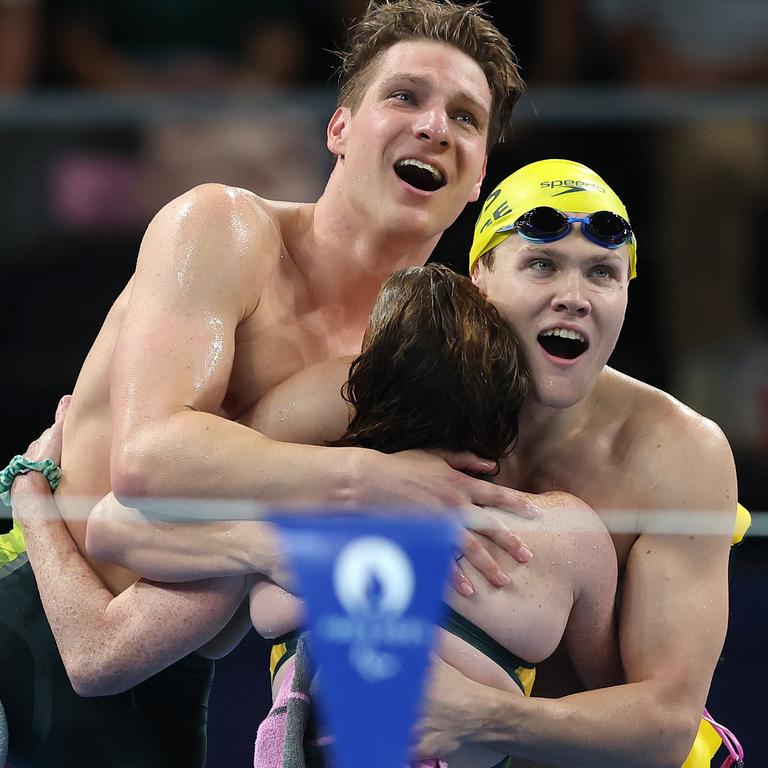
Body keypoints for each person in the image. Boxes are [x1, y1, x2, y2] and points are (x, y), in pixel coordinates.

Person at [0, 1, 530, 765]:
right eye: (405, 96)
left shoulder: (416, 371)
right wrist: (363, 477)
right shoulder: (220, 227)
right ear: (338, 129)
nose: (435, 127)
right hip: (13, 589)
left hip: (155, 676)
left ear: (479, 174)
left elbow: (155, 624)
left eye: (466, 118)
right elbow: (149, 460)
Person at [12, 264, 622, 768]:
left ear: (358, 406)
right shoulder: (570, 533)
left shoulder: (302, 518)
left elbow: (114, 537)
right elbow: (627, 726)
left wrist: (34, 498)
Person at [411, 158, 748, 768]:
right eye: (541, 265)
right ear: (480, 273)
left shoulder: (677, 454)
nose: (574, 298)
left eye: (602, 274)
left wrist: (482, 718)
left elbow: (667, 723)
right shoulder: (409, 403)